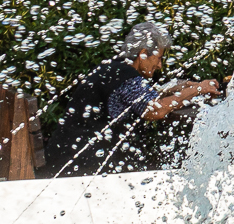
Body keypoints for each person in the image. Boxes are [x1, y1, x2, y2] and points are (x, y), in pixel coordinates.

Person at [45, 22, 220, 175]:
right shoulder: (125, 77)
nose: (160, 65)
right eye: (158, 58)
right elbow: (155, 110)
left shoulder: (116, 69)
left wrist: (189, 85)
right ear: (143, 54)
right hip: (79, 168)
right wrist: (198, 89)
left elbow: (153, 93)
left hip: (71, 159)